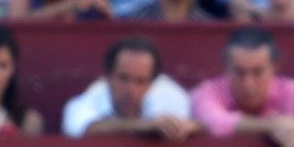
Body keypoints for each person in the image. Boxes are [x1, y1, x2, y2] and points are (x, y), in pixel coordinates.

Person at [61, 35, 197, 137]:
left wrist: (188, 127)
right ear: (107, 77)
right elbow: (86, 129)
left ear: (152, 83)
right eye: (123, 78)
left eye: (141, 81)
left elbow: (199, 126)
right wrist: (147, 126)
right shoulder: (88, 100)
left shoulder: (170, 95)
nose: (131, 90)